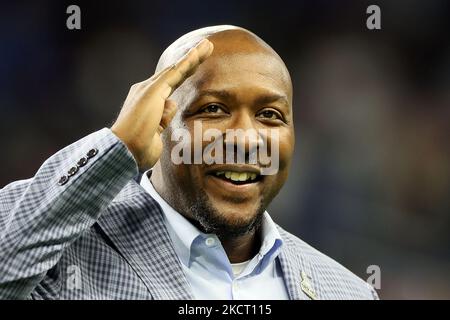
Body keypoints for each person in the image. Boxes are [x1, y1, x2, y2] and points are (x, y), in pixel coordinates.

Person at [0, 25, 378, 300]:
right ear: (158, 123)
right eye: (213, 109)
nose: (246, 139)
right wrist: (116, 147)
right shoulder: (62, 255)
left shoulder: (347, 291)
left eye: (270, 115)